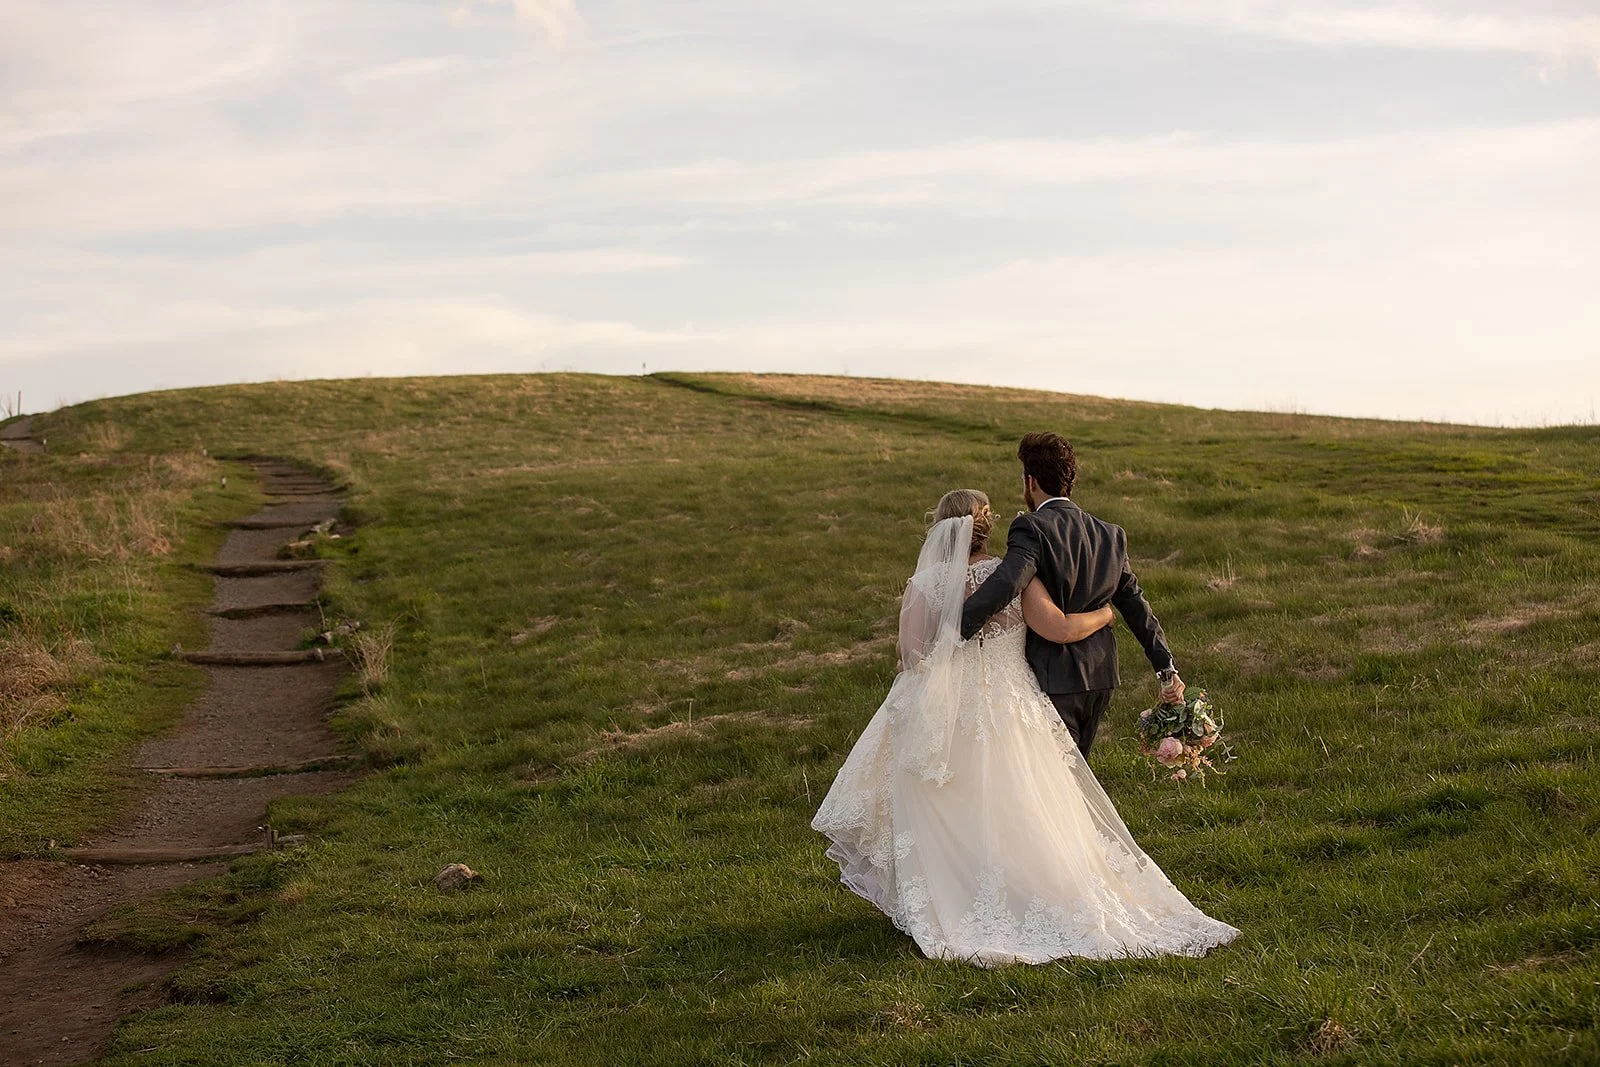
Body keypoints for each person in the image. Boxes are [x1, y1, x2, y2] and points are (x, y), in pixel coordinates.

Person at [811, 489, 1239, 966]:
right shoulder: (1012, 573)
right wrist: (1102, 613)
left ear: (938, 528)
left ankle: (958, 896)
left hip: (945, 709)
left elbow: (909, 659)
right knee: (1024, 801)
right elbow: (1055, 628)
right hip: (1009, 702)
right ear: (986, 526)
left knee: (950, 800)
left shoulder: (923, 584)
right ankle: (1029, 891)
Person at [962, 432, 1183, 757]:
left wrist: (956, 626)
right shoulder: (1110, 534)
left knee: (1055, 781)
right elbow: (1135, 605)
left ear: (1031, 481)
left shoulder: (1032, 528)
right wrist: (1166, 667)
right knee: (1075, 777)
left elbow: (1008, 581)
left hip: (1054, 677)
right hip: (1100, 676)